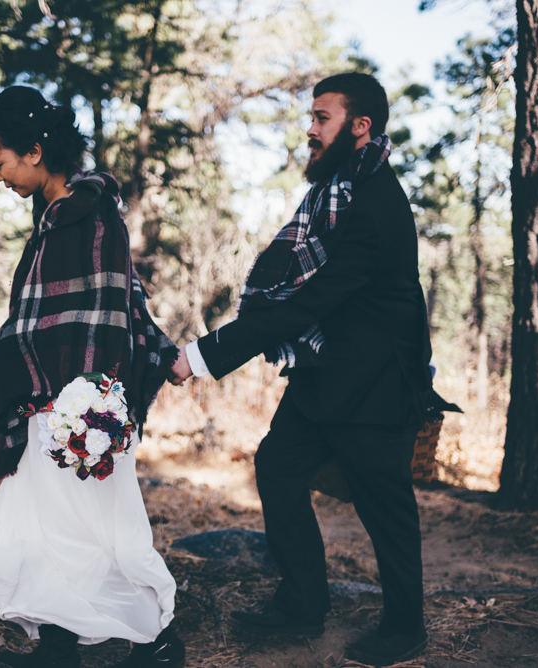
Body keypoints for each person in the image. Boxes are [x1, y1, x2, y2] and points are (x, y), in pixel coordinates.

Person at [170, 72, 433, 667]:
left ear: (359, 126)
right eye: (311, 117)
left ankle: (405, 625)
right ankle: (302, 601)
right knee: (279, 467)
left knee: (384, 506)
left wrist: (203, 356)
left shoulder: (373, 202)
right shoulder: (333, 192)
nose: (309, 129)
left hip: (374, 384)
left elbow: (310, 303)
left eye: (321, 117)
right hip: (326, 375)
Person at [0, 86, 185, 668]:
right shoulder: (55, 215)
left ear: (33, 151)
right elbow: (46, 317)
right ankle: (57, 648)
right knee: (44, 527)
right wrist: (0, 370)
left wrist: (114, 384)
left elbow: (112, 307)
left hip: (84, 410)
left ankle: (156, 643)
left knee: (100, 530)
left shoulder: (88, 212)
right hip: (48, 403)